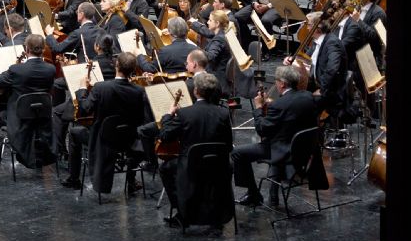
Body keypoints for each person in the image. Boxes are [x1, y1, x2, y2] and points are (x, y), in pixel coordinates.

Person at [232, 65, 320, 207]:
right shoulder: (309, 97)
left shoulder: (279, 105)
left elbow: (262, 129)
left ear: (282, 83)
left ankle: (253, 194)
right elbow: (290, 114)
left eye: (277, 81)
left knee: (237, 153)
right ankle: (273, 197)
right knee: (275, 141)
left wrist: (259, 108)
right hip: (305, 150)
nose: (276, 83)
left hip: (284, 151)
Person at [60, 52, 146, 193]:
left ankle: (74, 179)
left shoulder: (101, 88)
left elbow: (85, 109)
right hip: (128, 140)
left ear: (116, 65)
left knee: (74, 133)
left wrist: (82, 89)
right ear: (134, 69)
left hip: (103, 140)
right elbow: (140, 118)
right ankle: (131, 180)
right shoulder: (139, 91)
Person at [0, 34, 57, 169]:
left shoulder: (17, 70)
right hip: (42, 115)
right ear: (43, 49)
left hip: (19, 116)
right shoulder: (51, 69)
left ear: (26, 49)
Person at [156, 73, 233, 226]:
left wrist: (168, 116)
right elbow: (228, 144)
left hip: (190, 167)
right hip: (217, 165)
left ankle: (181, 211)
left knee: (165, 168)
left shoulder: (184, 114)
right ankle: (214, 212)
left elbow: (165, 136)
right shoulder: (223, 113)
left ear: (196, 91)